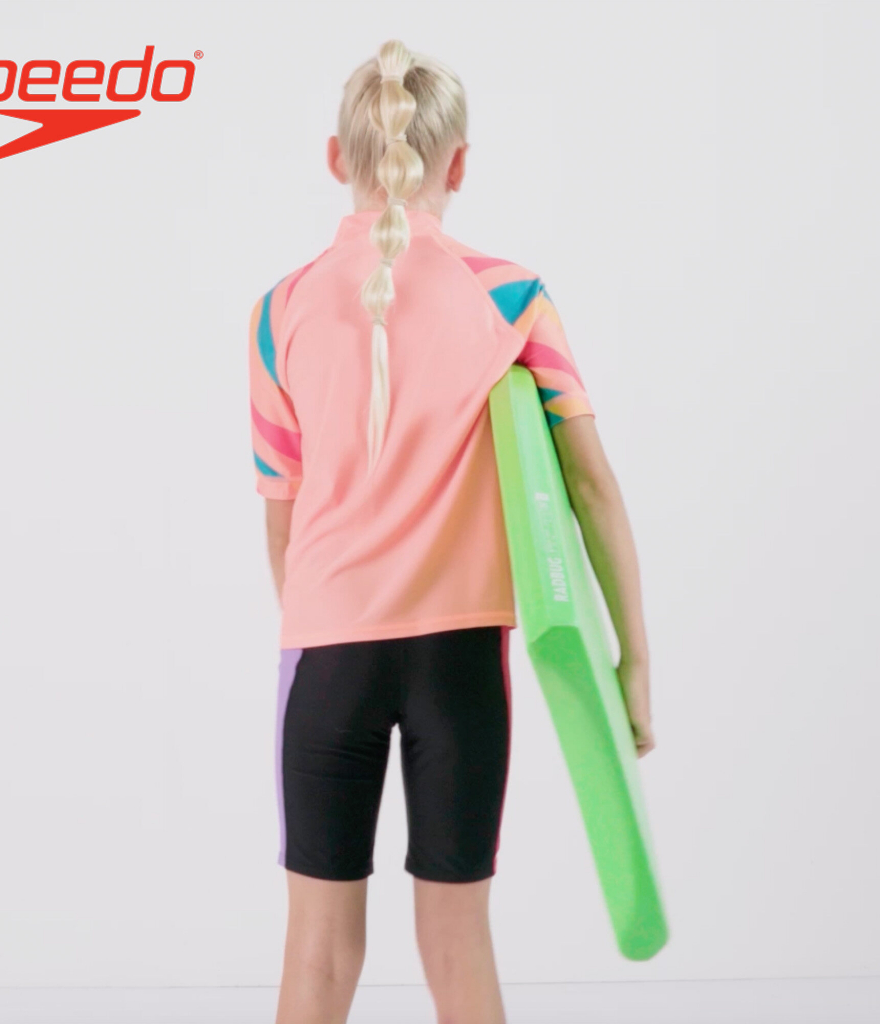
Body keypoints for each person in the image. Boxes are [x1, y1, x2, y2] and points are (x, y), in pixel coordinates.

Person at [248, 38, 654, 1024]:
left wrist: (329, 620)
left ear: (336, 159)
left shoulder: (278, 311)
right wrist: (631, 662)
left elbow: (281, 518)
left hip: (326, 659)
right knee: (456, 941)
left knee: (317, 951)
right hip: (460, 661)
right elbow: (592, 488)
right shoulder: (512, 296)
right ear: (458, 164)